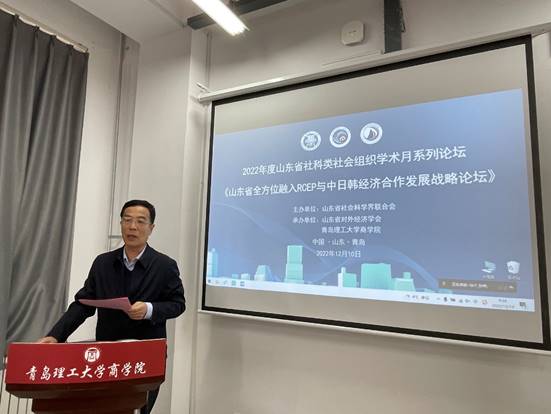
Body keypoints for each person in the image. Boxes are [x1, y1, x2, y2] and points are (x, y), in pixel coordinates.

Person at [38, 200, 185, 414]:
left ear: (151, 228)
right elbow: (83, 304)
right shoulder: (103, 263)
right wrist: (56, 335)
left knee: (138, 409)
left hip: (145, 355)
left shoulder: (164, 265)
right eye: (127, 220)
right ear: (121, 223)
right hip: (107, 353)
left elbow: (178, 304)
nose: (132, 227)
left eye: (140, 221)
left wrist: (149, 310)